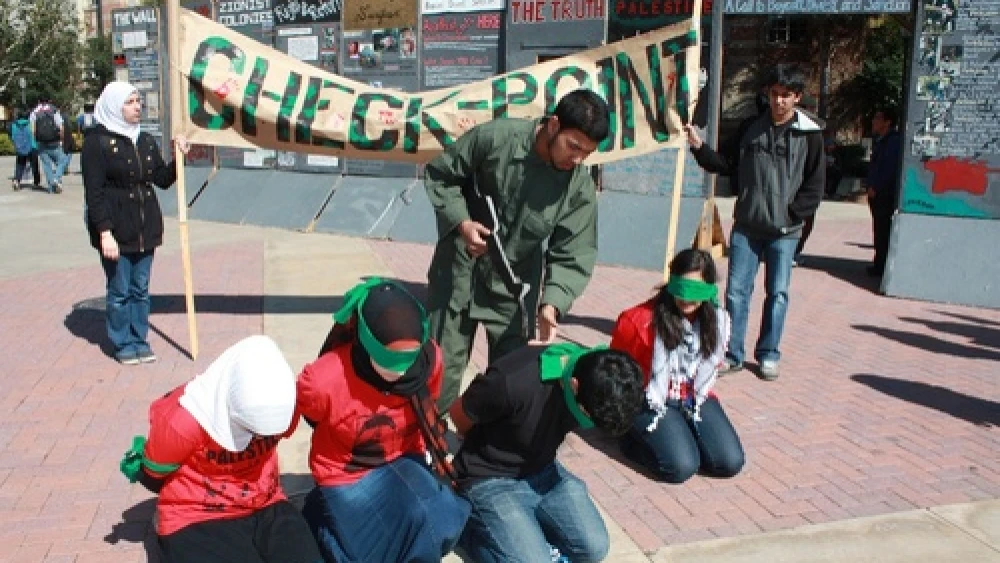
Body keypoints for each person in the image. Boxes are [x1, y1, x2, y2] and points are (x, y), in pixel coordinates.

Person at [425, 89, 611, 410]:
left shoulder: (577, 186)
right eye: (573, 147)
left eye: (587, 153)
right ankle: (429, 446)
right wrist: (462, 223)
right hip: (457, 274)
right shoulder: (496, 138)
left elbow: (573, 251)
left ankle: (486, 450)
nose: (578, 159)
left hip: (513, 291)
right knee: (438, 375)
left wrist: (552, 304)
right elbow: (442, 176)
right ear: (553, 125)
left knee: (509, 383)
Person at [298, 278, 469, 563]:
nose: (401, 373)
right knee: (379, 551)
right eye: (389, 360)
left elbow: (431, 406)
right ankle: (320, 518)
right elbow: (312, 418)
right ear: (366, 343)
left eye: (408, 360)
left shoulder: (432, 358)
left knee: (443, 521)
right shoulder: (322, 380)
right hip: (347, 473)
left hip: (404, 456)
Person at [119, 335, 323, 563]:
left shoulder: (285, 404)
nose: (259, 438)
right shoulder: (183, 419)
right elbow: (153, 475)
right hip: (196, 514)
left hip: (266, 502)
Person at [684, 64, 824, 381]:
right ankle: (732, 353)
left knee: (778, 293)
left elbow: (815, 185)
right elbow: (724, 164)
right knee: (735, 293)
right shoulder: (751, 128)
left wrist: (792, 214)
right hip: (747, 226)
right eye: (774, 94)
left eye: (786, 95)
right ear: (767, 94)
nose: (779, 101)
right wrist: (698, 147)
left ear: (797, 97)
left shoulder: (810, 134)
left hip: (784, 232)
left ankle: (769, 354)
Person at [450, 343, 644, 563]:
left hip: (544, 471)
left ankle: (523, 532)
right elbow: (459, 414)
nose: (587, 424)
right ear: (573, 385)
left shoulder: (599, 373)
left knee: (594, 548)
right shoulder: (513, 383)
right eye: (587, 416)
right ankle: (472, 530)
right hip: (489, 477)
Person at [610, 249, 744, 484]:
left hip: (694, 396)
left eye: (696, 291)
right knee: (680, 468)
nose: (687, 298)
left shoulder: (717, 320)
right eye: (682, 289)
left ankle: (682, 436)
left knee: (729, 462)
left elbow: (708, 367)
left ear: (710, 289)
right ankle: (632, 441)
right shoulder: (638, 321)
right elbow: (616, 373)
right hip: (650, 397)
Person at [82, 81, 189, 365]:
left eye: (138, 101)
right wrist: (104, 232)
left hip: (145, 226)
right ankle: (122, 342)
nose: (137, 107)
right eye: (130, 102)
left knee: (140, 289)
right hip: (116, 227)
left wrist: (180, 158)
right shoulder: (97, 142)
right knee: (119, 290)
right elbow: (94, 192)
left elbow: (162, 179)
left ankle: (139, 338)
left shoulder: (145, 139)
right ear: (114, 105)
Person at [865, 107, 902, 278]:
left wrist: (876, 187)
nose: (874, 121)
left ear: (887, 122)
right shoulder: (881, 140)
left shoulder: (892, 142)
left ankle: (881, 265)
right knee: (879, 229)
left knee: (883, 230)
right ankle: (878, 262)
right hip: (877, 194)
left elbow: (888, 168)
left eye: (878, 118)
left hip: (883, 195)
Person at [30, 99, 68, 194]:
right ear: (49, 101)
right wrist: (62, 140)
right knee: (62, 160)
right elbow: (61, 127)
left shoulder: (34, 112)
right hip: (54, 142)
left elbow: (33, 130)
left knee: (47, 165)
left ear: (39, 101)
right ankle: (56, 178)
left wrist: (36, 140)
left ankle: (51, 189)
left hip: (41, 142)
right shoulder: (54, 110)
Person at [9, 110, 41, 191]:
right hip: (32, 147)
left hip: (20, 148)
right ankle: (36, 182)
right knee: (34, 165)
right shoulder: (31, 123)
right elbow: (35, 134)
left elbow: (11, 136)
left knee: (19, 165)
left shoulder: (13, 124)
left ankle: (17, 181)